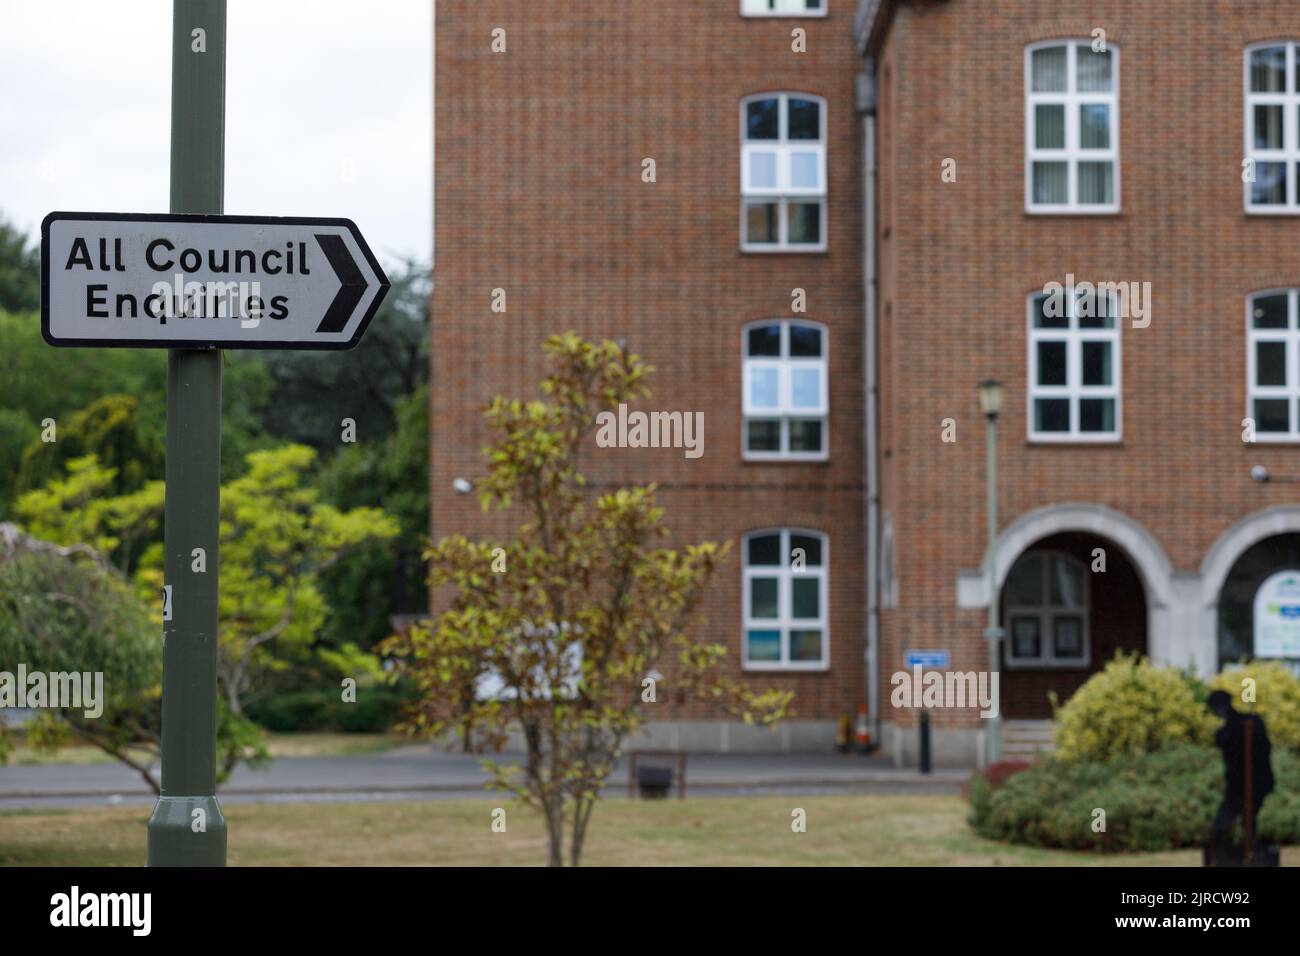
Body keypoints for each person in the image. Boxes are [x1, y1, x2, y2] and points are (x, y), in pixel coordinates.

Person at [1207, 690, 1274, 848]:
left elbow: (1262, 750)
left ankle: (1249, 854)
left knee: (1244, 819)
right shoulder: (1226, 732)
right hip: (1239, 784)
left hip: (1253, 782)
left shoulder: (1250, 723)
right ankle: (1229, 854)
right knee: (1233, 820)